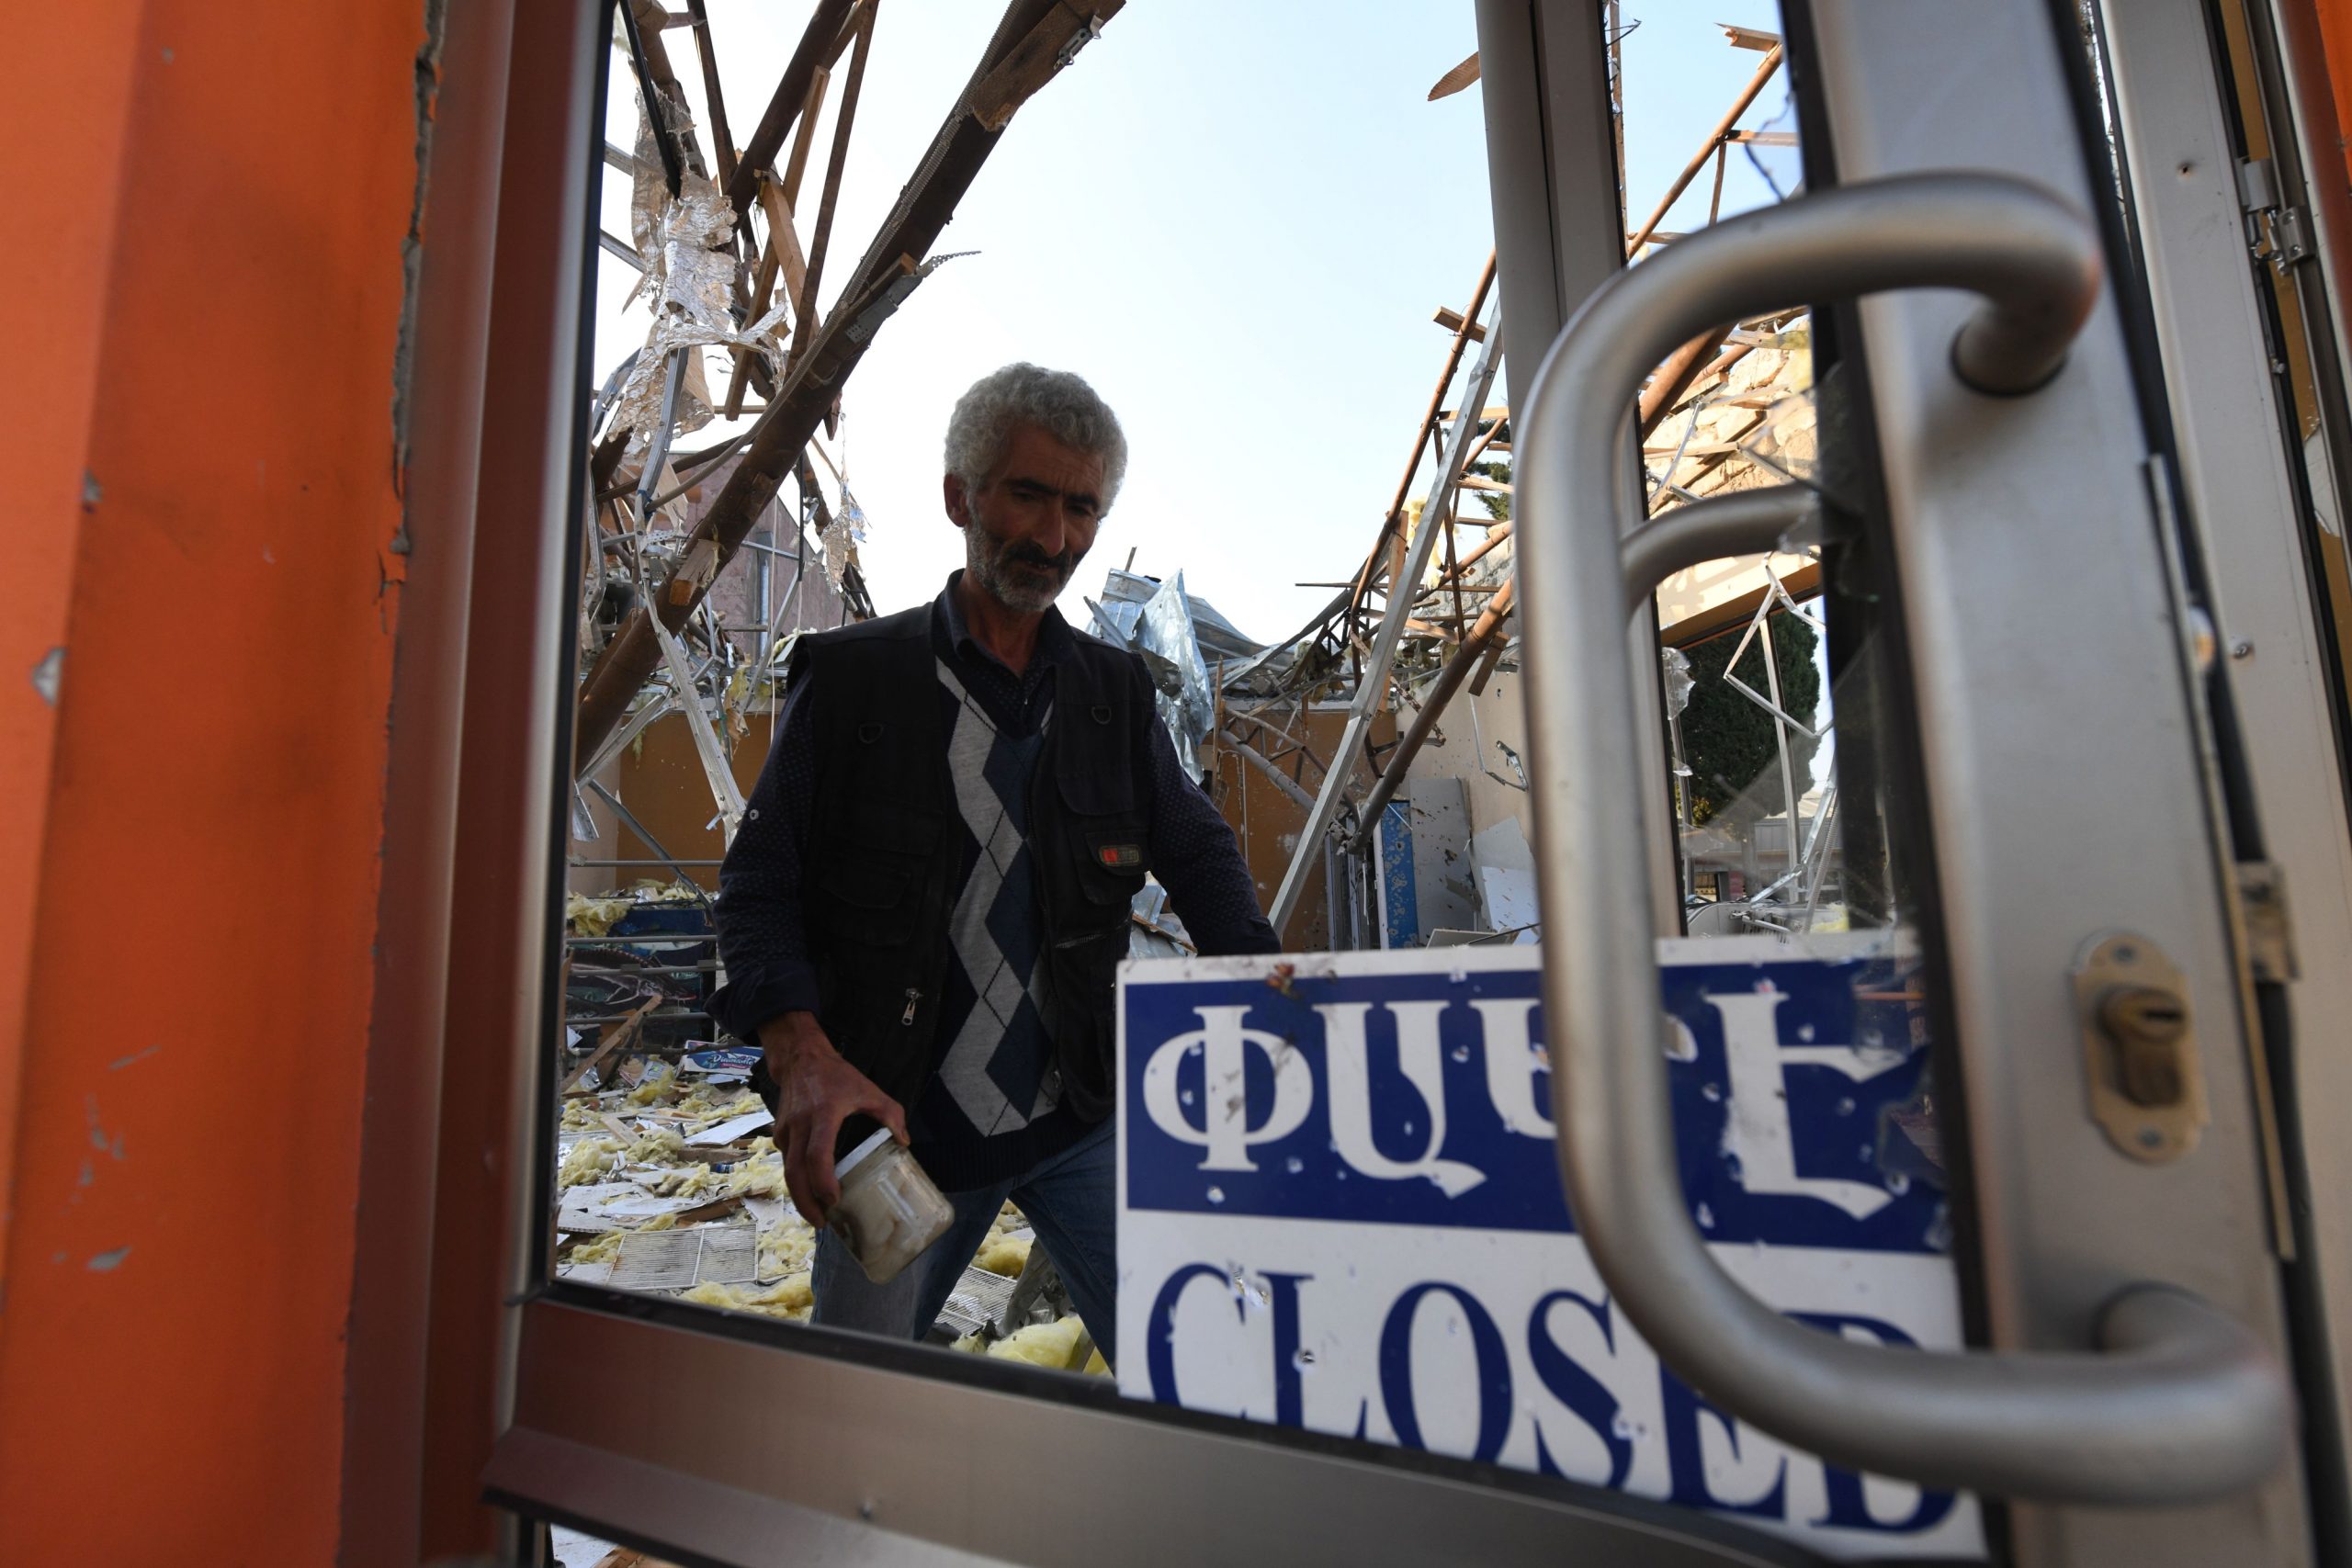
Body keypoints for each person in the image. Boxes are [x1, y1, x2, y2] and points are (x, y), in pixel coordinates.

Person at [711, 363, 1279, 1363]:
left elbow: (1197, 852)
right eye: (1027, 495)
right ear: (959, 498)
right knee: (855, 1417)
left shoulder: (1114, 694)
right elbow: (758, 887)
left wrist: (1277, 996)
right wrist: (802, 1056)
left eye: (1081, 508)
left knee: (1196, 1369)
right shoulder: (852, 684)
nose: (1054, 539)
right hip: (899, 1137)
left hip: (1083, 1126)